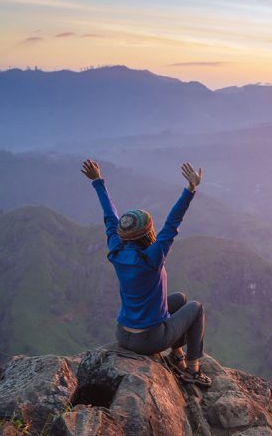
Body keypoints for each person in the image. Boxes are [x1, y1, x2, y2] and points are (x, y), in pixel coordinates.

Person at [81, 159, 212, 387]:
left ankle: (176, 355)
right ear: (148, 233)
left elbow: (110, 219)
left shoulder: (117, 251)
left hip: (123, 334)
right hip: (150, 339)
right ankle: (193, 371)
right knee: (196, 307)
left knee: (180, 298)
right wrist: (190, 189)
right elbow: (173, 222)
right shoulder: (152, 257)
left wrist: (98, 181)